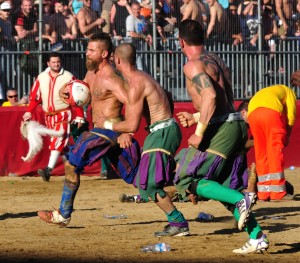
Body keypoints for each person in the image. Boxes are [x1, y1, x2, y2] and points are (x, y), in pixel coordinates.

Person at [175, 19, 269, 254]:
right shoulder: (216, 59)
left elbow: (210, 97)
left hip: (222, 128)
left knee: (186, 179)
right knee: (226, 187)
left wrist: (198, 132)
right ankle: (257, 236)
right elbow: (222, 100)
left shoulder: (193, 65)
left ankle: (242, 199)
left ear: (181, 41)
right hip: (235, 123)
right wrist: (197, 117)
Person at [37, 32, 140, 226]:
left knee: (71, 164)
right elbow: (81, 96)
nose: (87, 53)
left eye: (92, 50)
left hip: (110, 132)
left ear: (104, 54)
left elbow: (133, 103)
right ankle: (184, 190)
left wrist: (128, 131)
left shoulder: (112, 78)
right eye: (87, 49)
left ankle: (63, 214)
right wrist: (64, 94)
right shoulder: (90, 74)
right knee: (139, 179)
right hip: (100, 132)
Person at [97, 42, 190, 237]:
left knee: (148, 183)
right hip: (162, 131)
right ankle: (183, 202)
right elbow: (168, 95)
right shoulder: (142, 77)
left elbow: (132, 126)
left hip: (161, 133)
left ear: (118, 60)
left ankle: (179, 220)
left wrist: (107, 125)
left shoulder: (136, 83)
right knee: (146, 181)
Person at [22, 52, 85, 182]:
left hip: (63, 114)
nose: (56, 64)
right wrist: (29, 112)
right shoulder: (42, 77)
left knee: (57, 141)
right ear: (48, 63)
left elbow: (76, 98)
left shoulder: (68, 77)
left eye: (58, 62)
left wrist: (79, 115)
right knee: (63, 147)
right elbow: (35, 98)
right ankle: (76, 166)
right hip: (49, 116)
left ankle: (48, 171)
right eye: (53, 62)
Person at [239, 84, 296, 201]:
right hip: (271, 114)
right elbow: (291, 115)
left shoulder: (266, 92)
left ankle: (263, 194)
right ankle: (278, 193)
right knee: (275, 152)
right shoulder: (289, 92)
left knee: (261, 154)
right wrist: (287, 135)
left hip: (254, 114)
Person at [125, 1, 153, 71]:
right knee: (139, 67)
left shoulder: (142, 18)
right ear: (131, 9)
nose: (136, 11)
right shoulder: (130, 18)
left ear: (140, 9)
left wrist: (149, 35)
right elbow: (132, 34)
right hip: (134, 47)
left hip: (142, 46)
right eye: (134, 9)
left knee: (145, 66)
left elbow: (144, 30)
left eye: (138, 9)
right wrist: (144, 37)